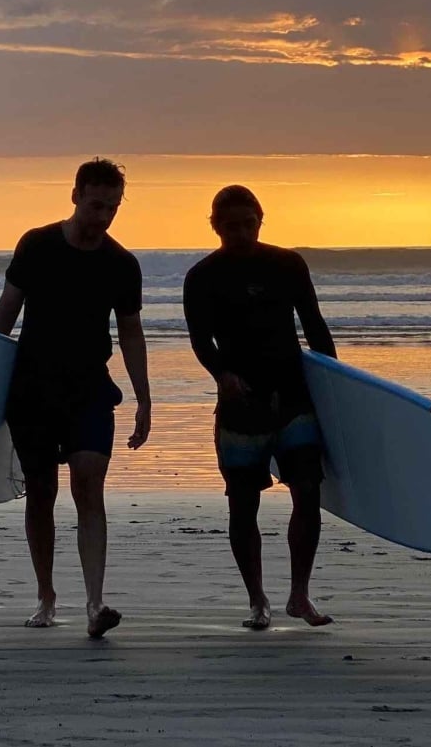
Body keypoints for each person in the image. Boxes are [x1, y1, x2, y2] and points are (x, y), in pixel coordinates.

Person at [0, 158, 152, 638]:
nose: (103, 216)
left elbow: (132, 334)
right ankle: (46, 596)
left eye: (113, 208)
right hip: (33, 387)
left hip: (89, 389)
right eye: (97, 204)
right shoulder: (36, 244)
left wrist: (144, 399)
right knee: (40, 493)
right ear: (75, 194)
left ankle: (95, 603)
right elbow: (5, 314)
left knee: (88, 484)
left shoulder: (122, 264)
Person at [183, 185, 336, 631]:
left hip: (293, 397)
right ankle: (257, 601)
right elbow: (199, 341)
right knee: (243, 503)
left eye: (248, 224)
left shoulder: (287, 265)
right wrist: (221, 375)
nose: (240, 233)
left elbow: (315, 328)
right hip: (240, 404)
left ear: (260, 221)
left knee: (307, 491)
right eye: (230, 226)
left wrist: (336, 388)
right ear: (215, 226)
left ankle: (299, 595)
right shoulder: (202, 276)